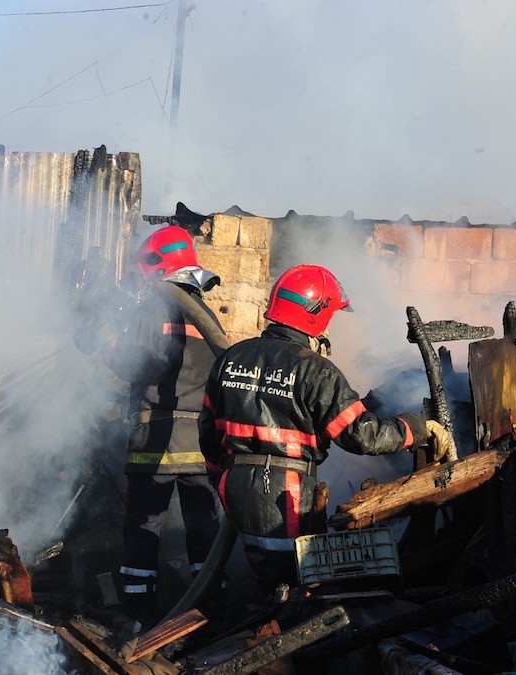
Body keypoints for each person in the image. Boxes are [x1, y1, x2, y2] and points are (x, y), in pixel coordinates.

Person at [199, 264, 454, 590]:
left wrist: (217, 476)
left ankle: (247, 623)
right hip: (283, 493)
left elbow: (207, 430)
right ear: (314, 315)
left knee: (261, 574)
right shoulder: (316, 371)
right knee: (293, 582)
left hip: (233, 485)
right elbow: (363, 435)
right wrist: (418, 427)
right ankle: (280, 634)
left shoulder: (230, 359)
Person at [95, 226, 227, 629]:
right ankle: (210, 613)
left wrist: (108, 345)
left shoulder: (154, 314)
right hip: (201, 447)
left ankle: (140, 620)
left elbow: (133, 364)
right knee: (204, 530)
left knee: (144, 531)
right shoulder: (208, 318)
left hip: (156, 441)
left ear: (154, 266)